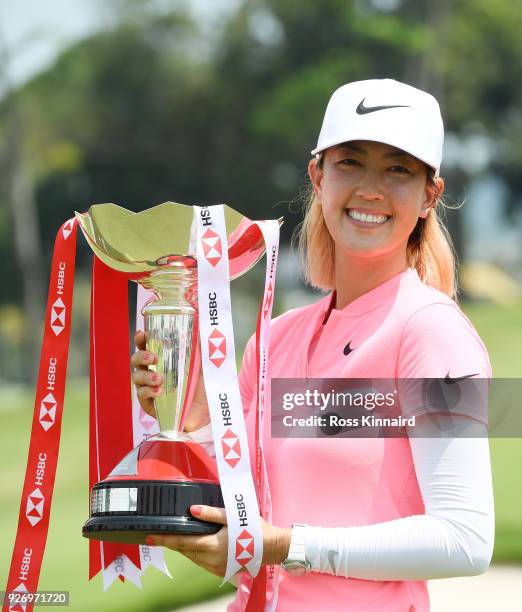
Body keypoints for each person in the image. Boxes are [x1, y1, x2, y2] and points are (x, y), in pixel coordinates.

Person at [131, 79, 494, 612]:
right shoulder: (275, 338)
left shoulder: (433, 333)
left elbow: (465, 539)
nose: (371, 189)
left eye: (398, 169)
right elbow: (240, 505)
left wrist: (286, 546)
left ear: (428, 196)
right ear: (318, 175)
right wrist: (189, 404)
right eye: (351, 162)